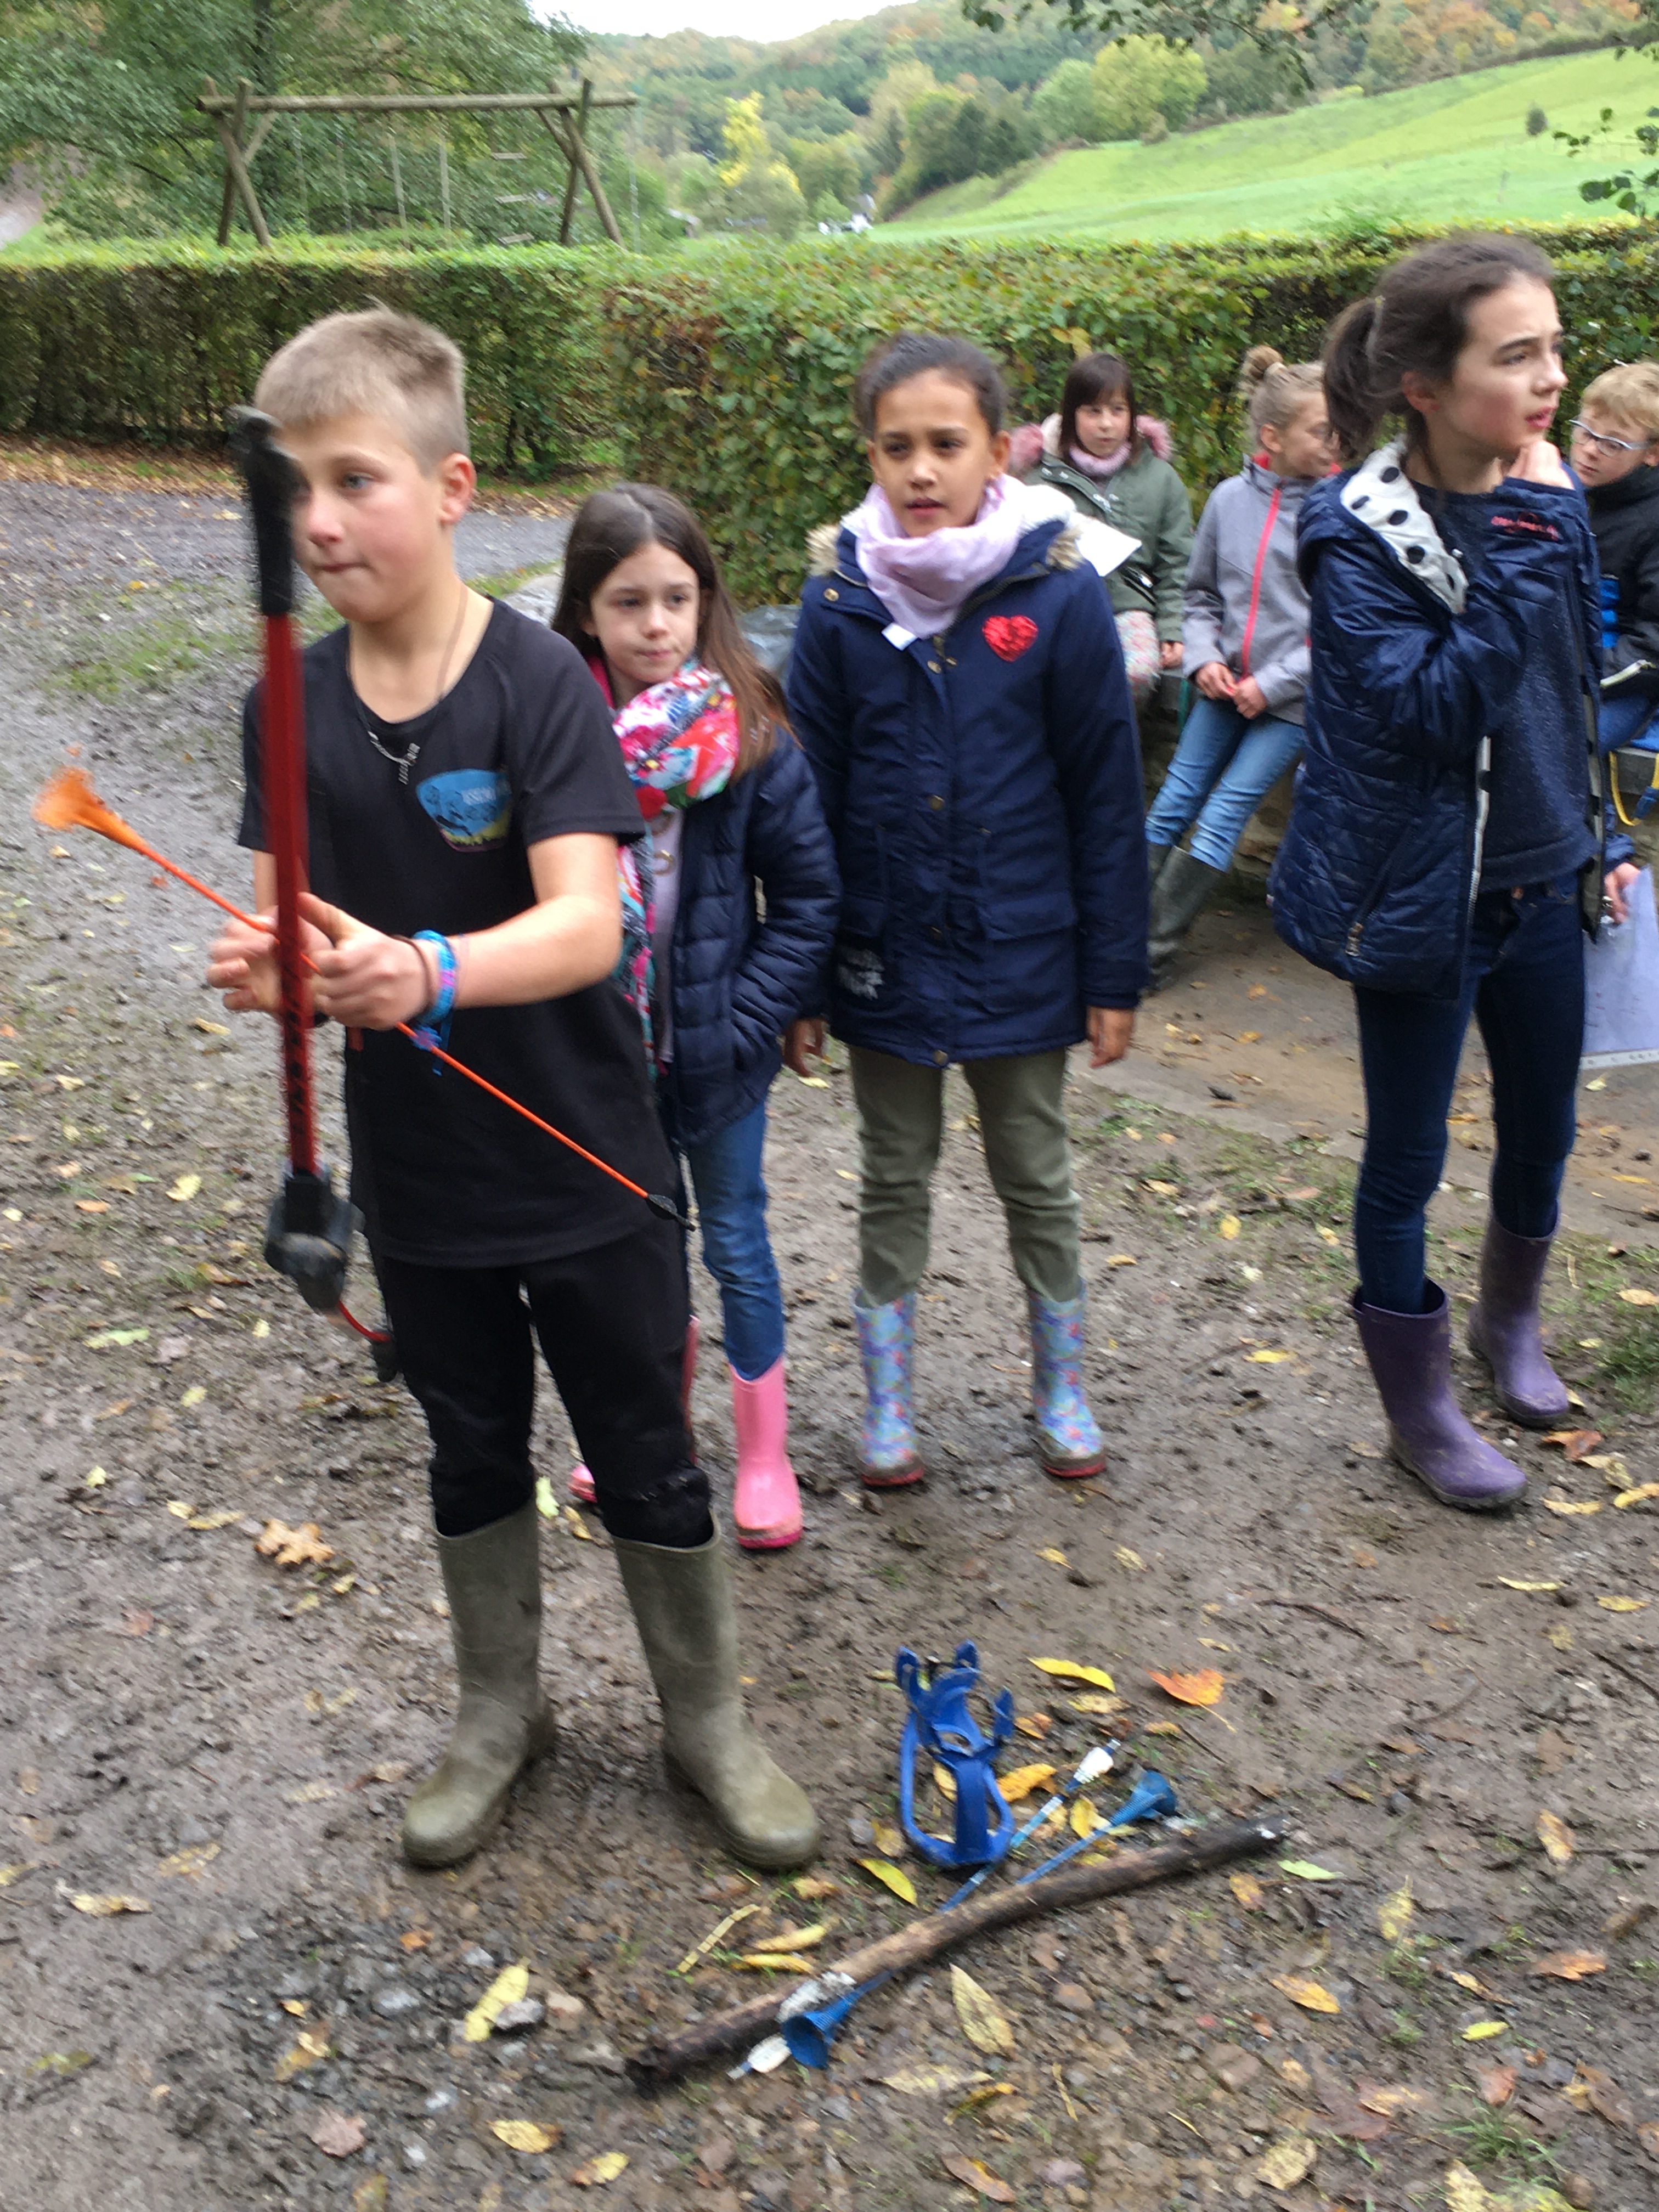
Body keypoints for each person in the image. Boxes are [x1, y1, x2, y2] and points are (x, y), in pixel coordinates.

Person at [206, 308, 819, 1871]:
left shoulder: (540, 678)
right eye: (293, 489)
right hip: (422, 1180)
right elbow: (295, 926)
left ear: (453, 485)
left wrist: (425, 970)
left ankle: (706, 1721)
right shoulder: (285, 698)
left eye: (356, 479)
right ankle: (500, 1714)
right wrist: (282, 970)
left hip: (589, 1162)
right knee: (469, 1449)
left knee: (648, 1448)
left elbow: (586, 922)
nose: (320, 521)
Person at [1271, 235, 1639, 1513]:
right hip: (1424, 899)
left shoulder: (1550, 500)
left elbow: (1570, 685)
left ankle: (1507, 1326)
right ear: (1425, 386)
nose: (1552, 380)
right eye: (1517, 355)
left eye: (1555, 347)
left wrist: (1606, 834)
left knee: (1545, 1129)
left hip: (1548, 876)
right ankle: (1420, 1412)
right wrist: (1524, 549)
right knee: (1406, 1157)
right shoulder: (1355, 531)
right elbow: (1432, 710)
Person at [784, 332, 1148, 1487]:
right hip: (883, 952)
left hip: (1021, 949)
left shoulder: (1058, 593)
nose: (921, 469)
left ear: (998, 450)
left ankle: (1062, 1386)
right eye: (896, 447)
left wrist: (1114, 970)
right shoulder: (838, 601)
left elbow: (1104, 793)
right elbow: (807, 804)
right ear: (871, 456)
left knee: (1034, 1172)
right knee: (893, 1172)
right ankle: (888, 1404)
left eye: (946, 443)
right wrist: (801, 974)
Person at [550, 484, 839, 1552]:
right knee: (639, 1253)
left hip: (721, 1057)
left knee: (737, 1244)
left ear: (704, 599)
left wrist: (750, 1018)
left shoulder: (750, 734)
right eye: (629, 603)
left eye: (676, 598)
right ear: (587, 613)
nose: (656, 625)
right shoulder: (551, 739)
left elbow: (806, 897)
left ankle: (764, 1454)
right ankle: (650, 1436)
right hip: (604, 1061)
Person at [1144, 346, 1333, 986]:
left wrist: (1270, 686)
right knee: (1173, 802)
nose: (1335, 442)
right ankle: (1115, 932)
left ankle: (1151, 954)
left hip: (1291, 703)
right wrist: (1203, 659)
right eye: (1321, 430)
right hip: (1221, 687)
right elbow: (1200, 597)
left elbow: (1339, 628)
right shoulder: (1228, 500)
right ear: (1273, 437)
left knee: (1224, 814)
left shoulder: (1337, 516)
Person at [1008, 349, 1193, 709]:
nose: (1106, 424)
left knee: (1137, 672)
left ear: (1132, 415)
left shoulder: (1160, 479)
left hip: (1129, 606)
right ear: (1071, 416)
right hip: (1059, 609)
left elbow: (1178, 562)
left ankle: (1112, 738)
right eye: (1093, 411)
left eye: (1117, 410)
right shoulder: (1037, 481)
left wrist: (1173, 626)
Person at [1568, 362, 1659, 765]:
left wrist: (1579, 678)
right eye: (1585, 432)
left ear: (1653, 454)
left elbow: (1653, 645)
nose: (1589, 449)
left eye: (1613, 444)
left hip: (1622, 684)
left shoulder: (1651, 522)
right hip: (1554, 664)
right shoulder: (1557, 492)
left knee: (1554, 752)